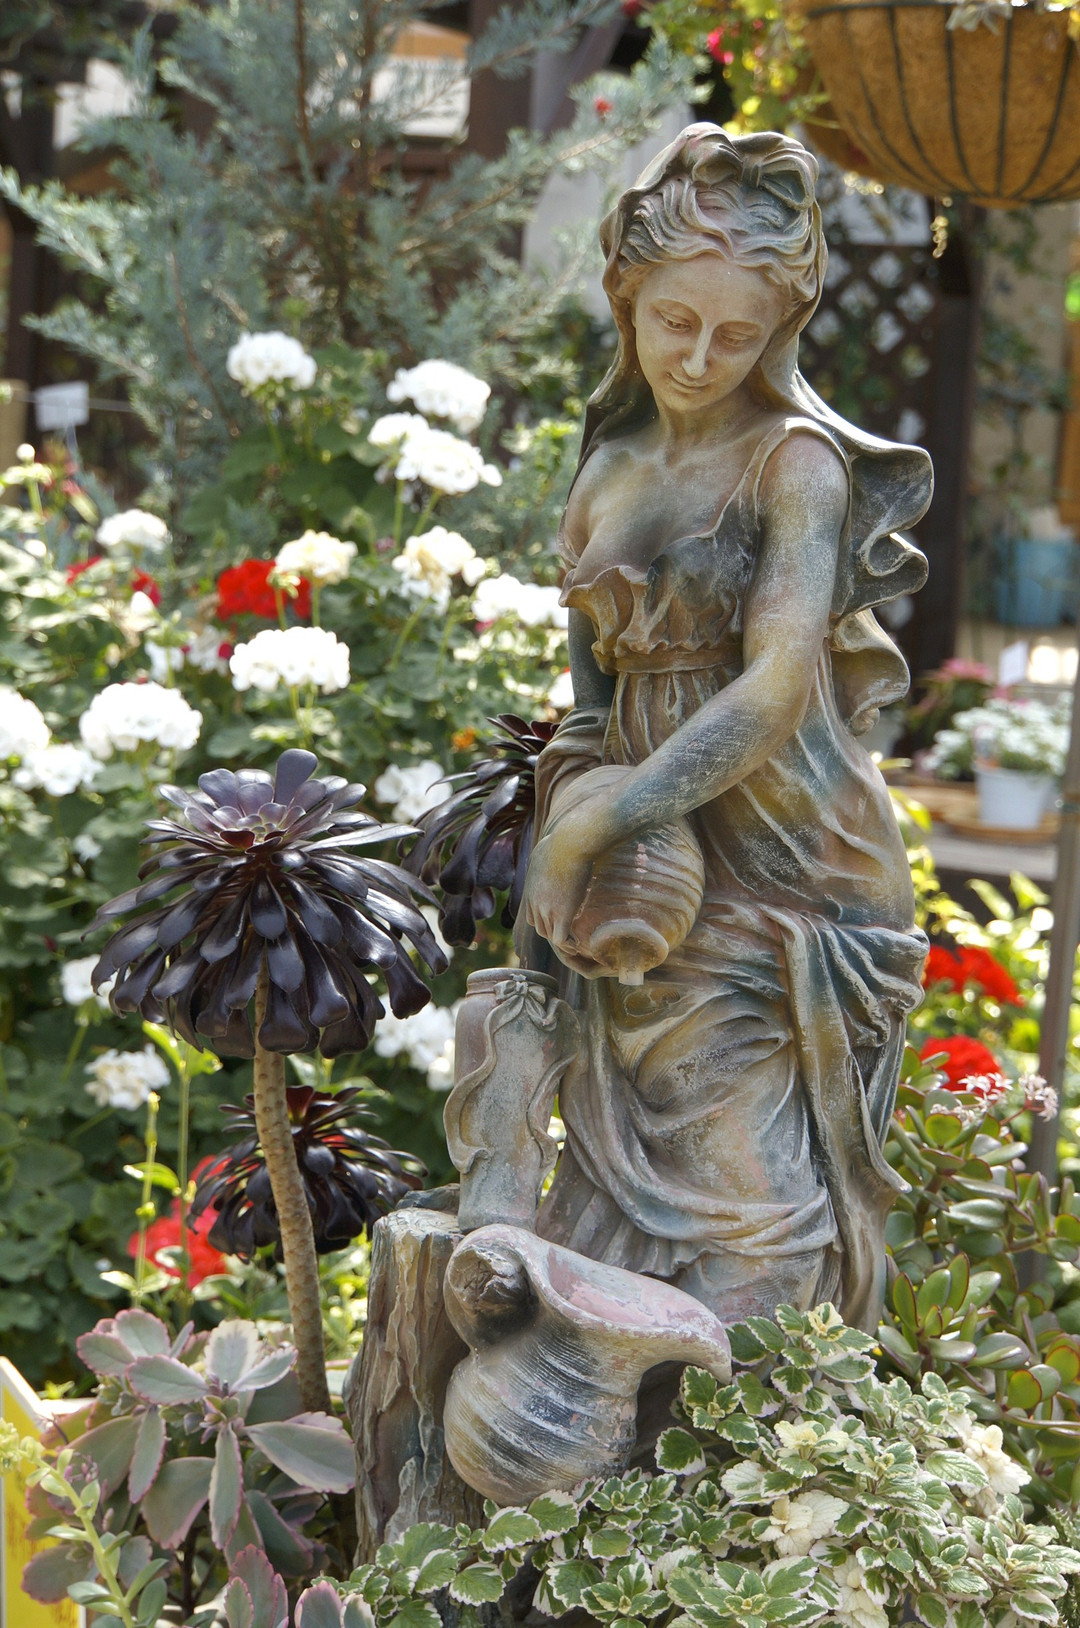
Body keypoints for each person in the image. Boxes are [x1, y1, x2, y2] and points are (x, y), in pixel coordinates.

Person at [521, 124, 932, 1333]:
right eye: (673, 322)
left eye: (737, 335)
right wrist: (578, 819)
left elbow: (772, 689)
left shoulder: (795, 466)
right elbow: (592, 699)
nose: (700, 357)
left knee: (760, 1213)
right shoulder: (608, 466)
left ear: (779, 333)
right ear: (625, 296)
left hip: (793, 858)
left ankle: (753, 1429)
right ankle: (614, 1404)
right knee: (618, 1173)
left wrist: (603, 818)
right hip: (652, 863)